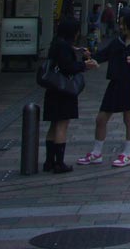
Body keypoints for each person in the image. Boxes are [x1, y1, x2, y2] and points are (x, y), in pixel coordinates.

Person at [78, 9, 130, 168]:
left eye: (123, 23)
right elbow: (104, 54)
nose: (120, 26)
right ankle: (97, 152)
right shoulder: (117, 41)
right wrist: (90, 57)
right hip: (115, 83)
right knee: (101, 119)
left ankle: (126, 154)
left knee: (129, 120)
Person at [42, 16, 93, 173]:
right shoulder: (64, 47)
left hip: (52, 90)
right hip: (63, 91)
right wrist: (84, 65)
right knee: (62, 125)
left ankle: (49, 161)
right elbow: (68, 67)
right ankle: (59, 163)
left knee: (53, 125)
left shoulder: (56, 44)